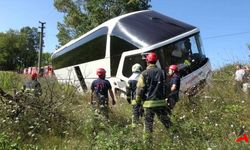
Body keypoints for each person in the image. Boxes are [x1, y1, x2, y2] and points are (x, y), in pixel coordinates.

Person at [135, 52, 171, 147]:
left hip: (148, 105)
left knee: (148, 126)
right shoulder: (163, 72)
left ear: (147, 61)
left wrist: (138, 102)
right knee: (167, 123)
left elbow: (139, 89)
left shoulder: (144, 74)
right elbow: (168, 86)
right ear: (156, 61)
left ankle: (148, 145)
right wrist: (166, 97)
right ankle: (177, 137)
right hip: (161, 104)